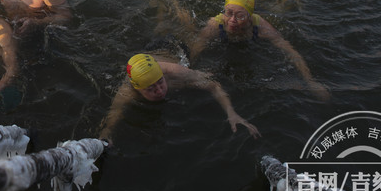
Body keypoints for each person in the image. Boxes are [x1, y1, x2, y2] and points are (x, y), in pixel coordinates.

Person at [189, 0, 329, 100]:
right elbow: (196, 47)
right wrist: (190, 73)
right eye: (229, 13)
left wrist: (310, 81)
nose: (232, 20)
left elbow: (290, 50)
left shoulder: (261, 27)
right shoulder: (215, 24)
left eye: (240, 16)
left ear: (249, 17)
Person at [99, 53, 260, 142]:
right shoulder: (128, 91)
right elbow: (115, 111)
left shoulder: (175, 73)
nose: (160, 90)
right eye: (151, 89)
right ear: (137, 89)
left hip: (168, 50)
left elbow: (213, 84)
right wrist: (107, 132)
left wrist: (232, 113)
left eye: (160, 82)